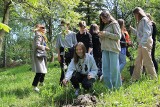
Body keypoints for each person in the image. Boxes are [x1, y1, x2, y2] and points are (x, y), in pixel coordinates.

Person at [130, 7, 157, 81]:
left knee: (147, 60)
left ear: (138, 13)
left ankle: (153, 78)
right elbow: (139, 34)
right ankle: (135, 78)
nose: (135, 16)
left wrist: (142, 43)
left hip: (145, 42)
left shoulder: (145, 20)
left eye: (135, 14)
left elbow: (147, 33)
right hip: (143, 42)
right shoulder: (141, 21)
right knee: (138, 61)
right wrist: (132, 29)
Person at [98, 10, 122, 89]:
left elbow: (118, 36)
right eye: (101, 19)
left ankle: (117, 87)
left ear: (108, 16)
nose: (103, 20)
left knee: (114, 69)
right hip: (104, 49)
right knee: (105, 70)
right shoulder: (104, 25)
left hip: (113, 49)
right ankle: (109, 88)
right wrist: (101, 36)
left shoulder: (114, 23)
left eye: (104, 18)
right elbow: (103, 39)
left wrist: (106, 34)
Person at [56, 20, 77, 85]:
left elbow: (75, 44)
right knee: (63, 69)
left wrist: (75, 55)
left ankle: (73, 84)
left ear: (67, 26)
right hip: (63, 53)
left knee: (72, 68)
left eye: (64, 25)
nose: (63, 27)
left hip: (71, 52)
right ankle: (62, 84)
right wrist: (59, 55)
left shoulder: (72, 34)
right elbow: (58, 46)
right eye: (62, 26)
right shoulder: (59, 35)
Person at [32, 24, 50, 92]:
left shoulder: (41, 36)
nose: (45, 29)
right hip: (38, 55)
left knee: (44, 69)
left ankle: (41, 82)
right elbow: (37, 45)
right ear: (40, 29)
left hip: (41, 54)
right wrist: (45, 47)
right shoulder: (39, 35)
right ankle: (34, 86)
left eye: (45, 28)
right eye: (43, 28)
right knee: (39, 71)